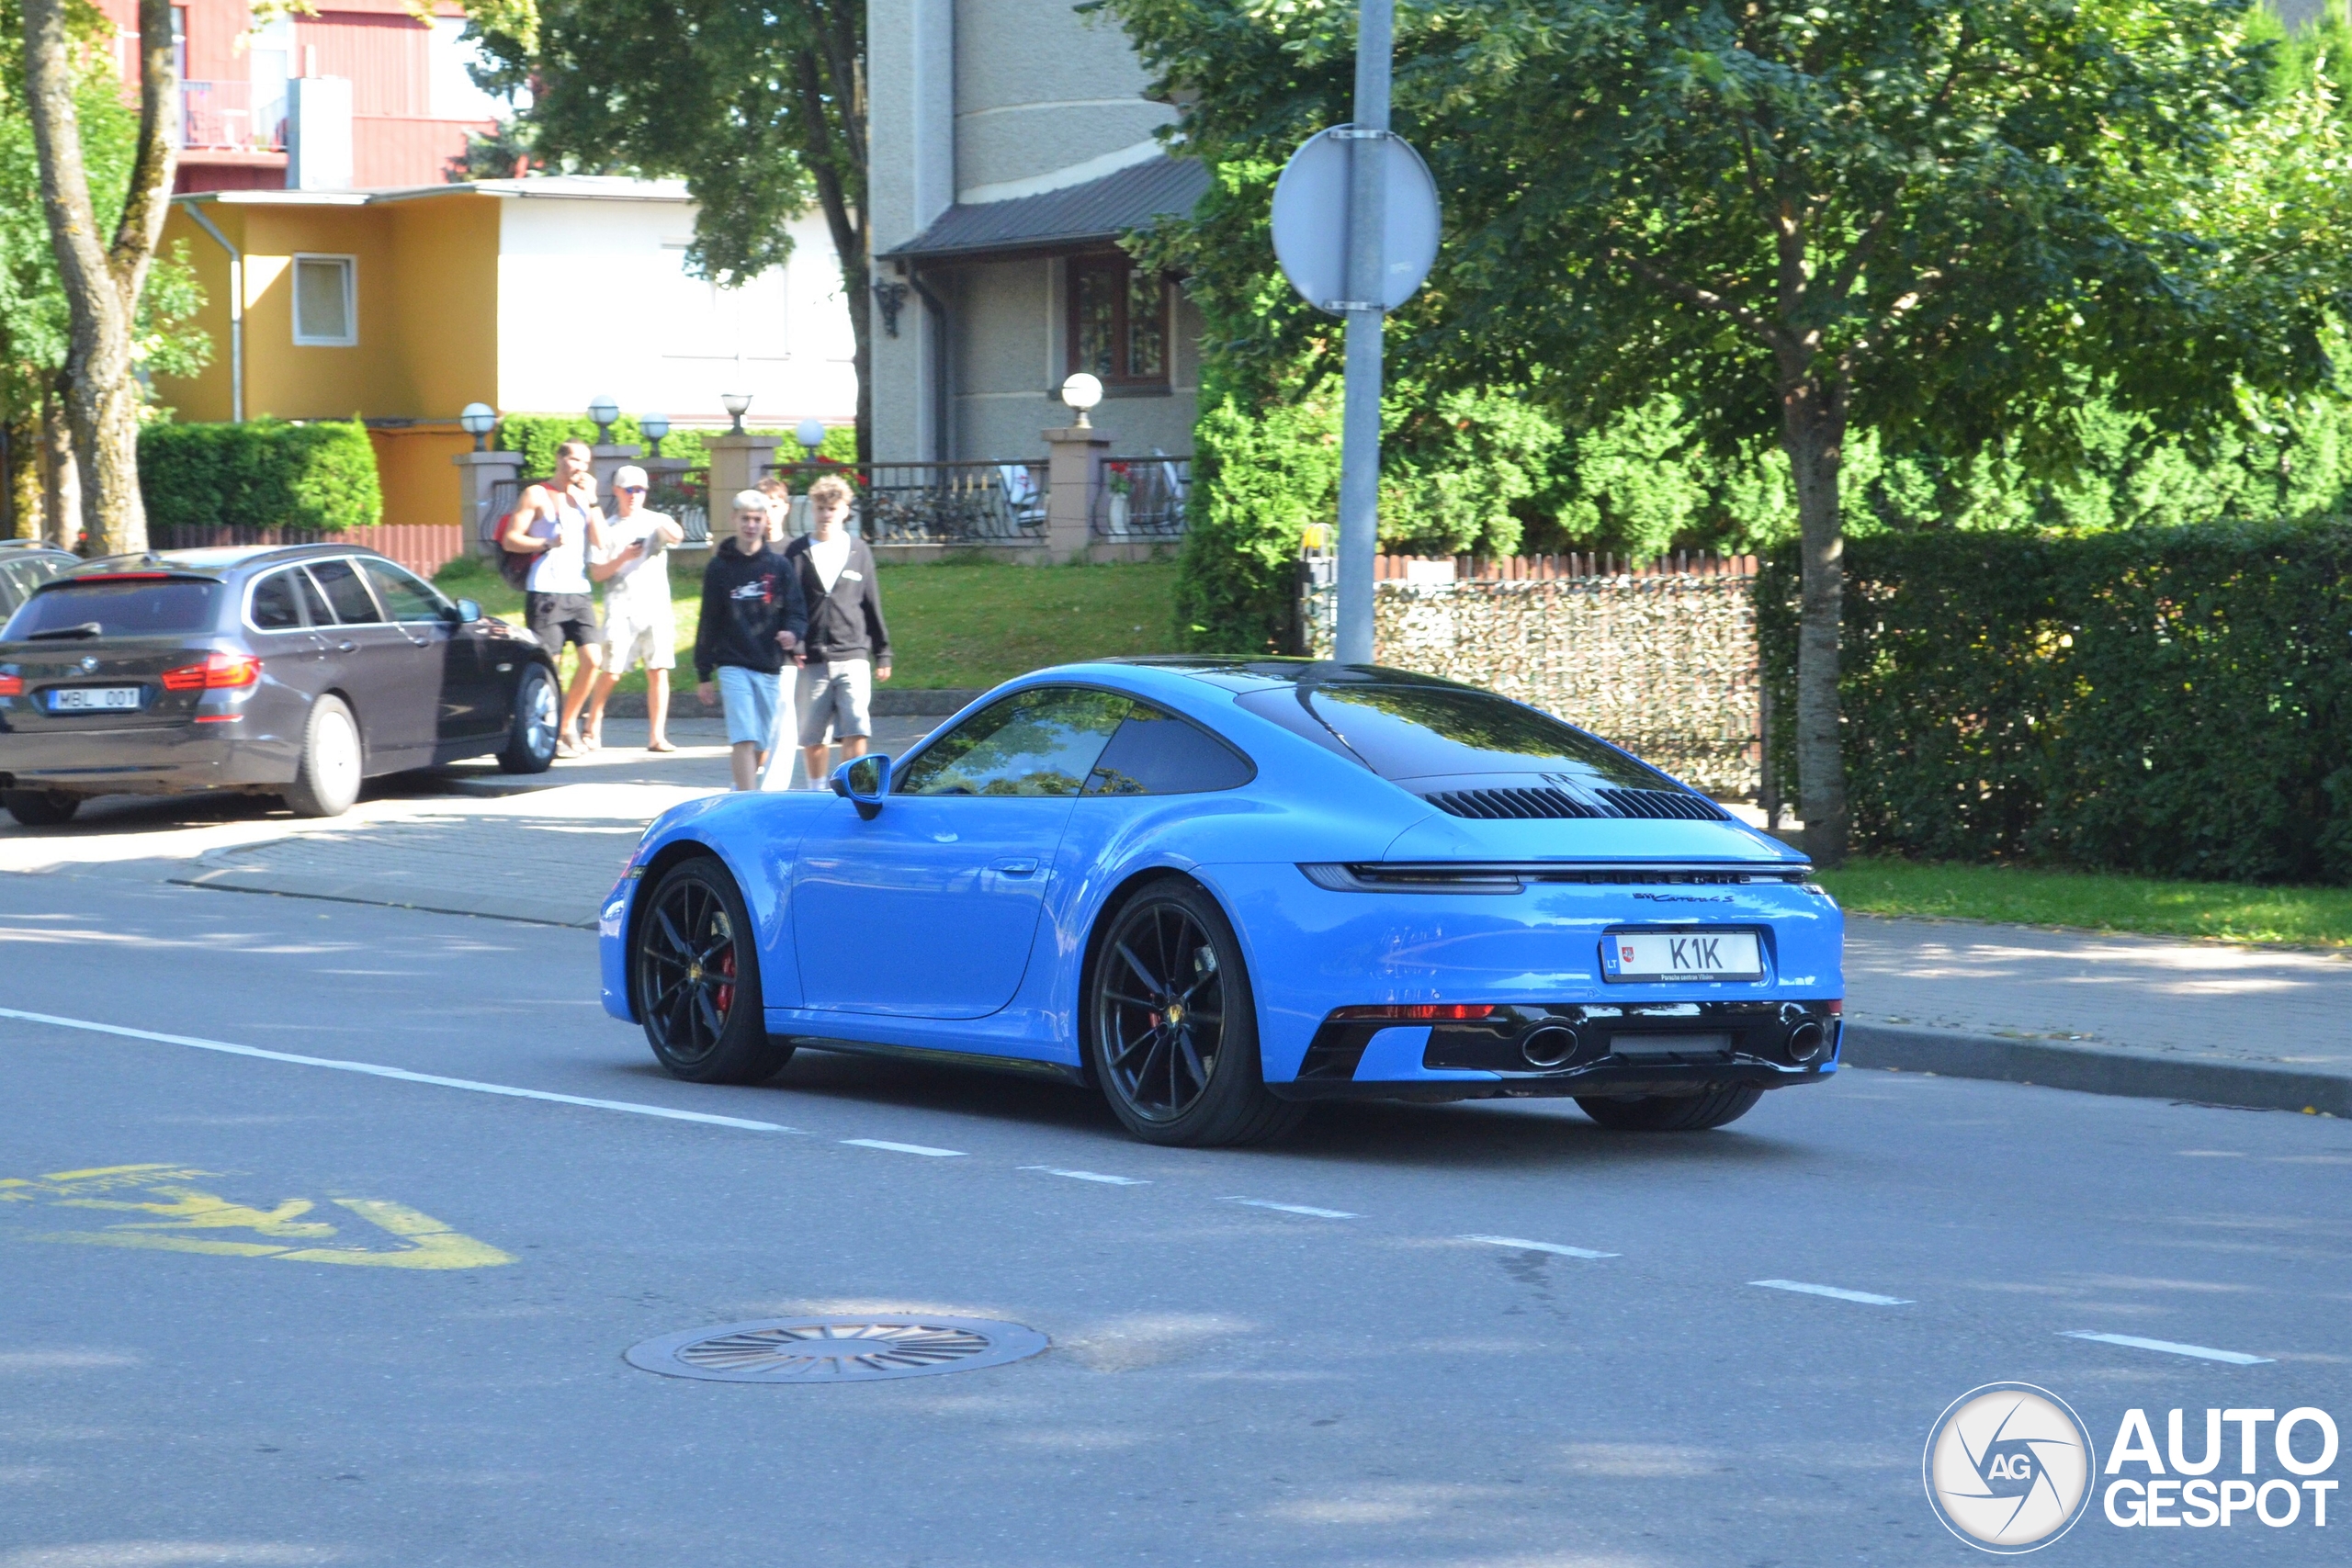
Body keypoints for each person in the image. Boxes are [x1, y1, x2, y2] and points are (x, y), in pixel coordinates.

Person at [781, 474, 892, 788]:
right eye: (820, 507)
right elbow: (788, 605)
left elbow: (871, 603)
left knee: (856, 726)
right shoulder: (797, 551)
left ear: (845, 510)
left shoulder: (859, 550)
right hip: (812, 657)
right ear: (812, 510)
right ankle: (816, 791)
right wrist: (793, 643)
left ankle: (852, 787)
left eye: (833, 508)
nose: (826, 514)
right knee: (813, 734)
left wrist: (883, 652)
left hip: (853, 653)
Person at [695, 490, 808, 791]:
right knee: (743, 735)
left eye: (756, 519)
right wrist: (703, 673)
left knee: (763, 738)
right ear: (735, 519)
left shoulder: (778, 566)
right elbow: (709, 620)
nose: (750, 525)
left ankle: (741, 785)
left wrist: (792, 634)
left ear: (764, 521)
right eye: (745, 518)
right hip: (733, 663)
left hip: (769, 664)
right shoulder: (719, 567)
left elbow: (797, 611)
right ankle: (746, 801)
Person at [500, 438, 606, 757]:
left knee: (593, 659)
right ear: (559, 459)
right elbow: (510, 540)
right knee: (551, 667)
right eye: (574, 460)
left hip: (579, 590)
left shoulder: (582, 498)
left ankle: (566, 724)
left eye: (585, 463)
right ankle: (550, 729)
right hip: (545, 591)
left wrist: (594, 500)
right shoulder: (537, 493)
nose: (579, 468)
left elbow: (601, 541)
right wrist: (545, 542)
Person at [584, 465, 684, 752]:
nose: (634, 495)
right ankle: (593, 720)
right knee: (612, 671)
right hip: (621, 606)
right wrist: (624, 557)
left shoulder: (656, 520)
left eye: (639, 490)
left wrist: (665, 527)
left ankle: (657, 736)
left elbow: (676, 535)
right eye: (628, 489)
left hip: (656, 607)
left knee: (658, 669)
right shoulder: (607, 527)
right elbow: (598, 573)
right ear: (616, 491)